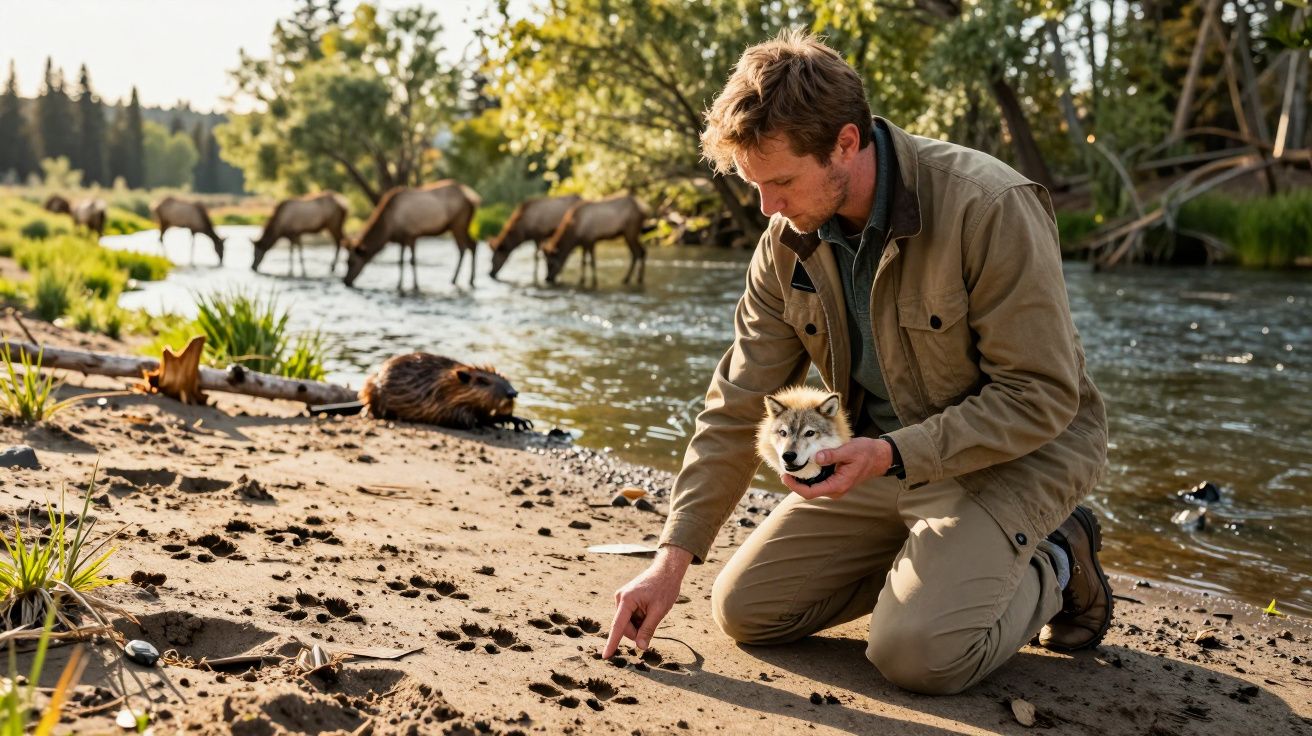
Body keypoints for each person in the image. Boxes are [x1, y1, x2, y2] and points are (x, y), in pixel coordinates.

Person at [602, 29, 1113, 696]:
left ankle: (1057, 560)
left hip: (1012, 458)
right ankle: (941, 566)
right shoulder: (786, 240)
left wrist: (887, 455)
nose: (767, 208)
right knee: (745, 613)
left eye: (780, 181)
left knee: (916, 655)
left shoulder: (989, 205)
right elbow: (736, 403)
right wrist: (669, 562)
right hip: (882, 458)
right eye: (755, 185)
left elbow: (1042, 397)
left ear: (847, 142)